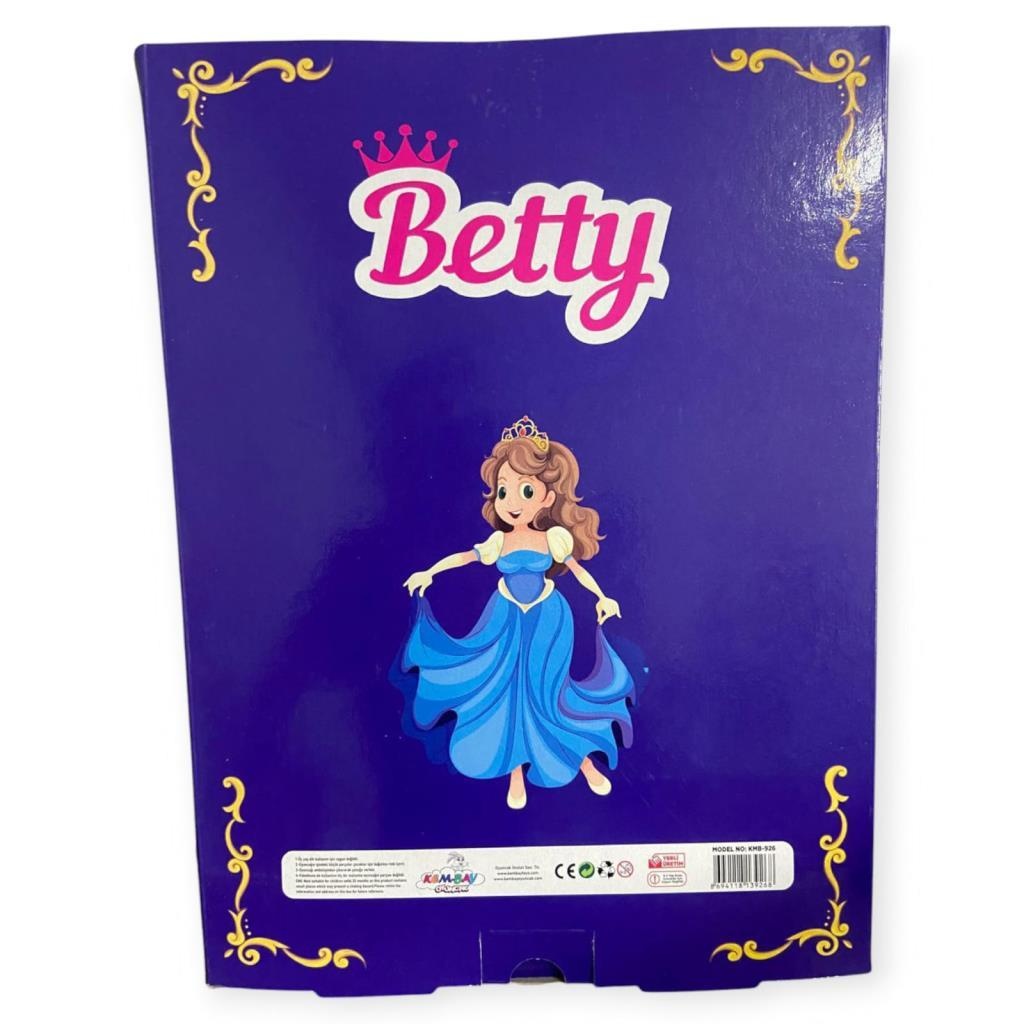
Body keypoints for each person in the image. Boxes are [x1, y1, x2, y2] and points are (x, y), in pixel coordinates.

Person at [398, 416, 635, 809]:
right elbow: (464, 557)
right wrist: (430, 572)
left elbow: (577, 570)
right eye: (503, 491)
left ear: (546, 499)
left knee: (549, 692)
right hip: (505, 616)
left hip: (548, 619)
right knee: (508, 691)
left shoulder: (554, 538)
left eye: (525, 490)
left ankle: (582, 762)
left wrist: (601, 597)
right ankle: (514, 771)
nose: (511, 503)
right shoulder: (499, 541)